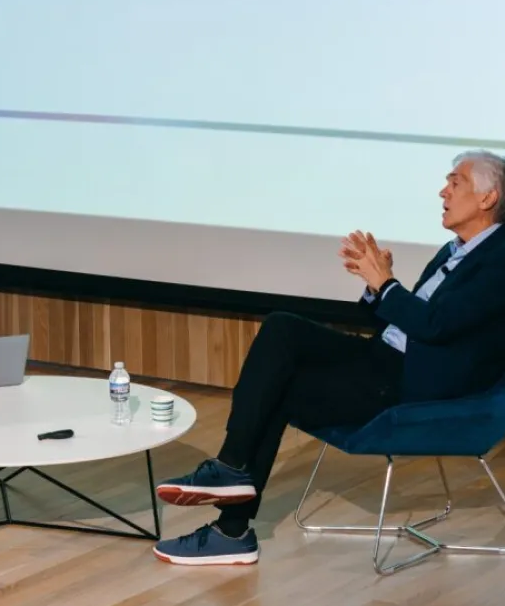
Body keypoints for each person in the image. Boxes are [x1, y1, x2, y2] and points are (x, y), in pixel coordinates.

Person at [152, 150, 505, 565]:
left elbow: (436, 326)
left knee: (283, 387)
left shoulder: (498, 260)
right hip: (383, 356)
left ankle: (232, 527)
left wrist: (388, 284)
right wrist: (378, 291)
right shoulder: (453, 251)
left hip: (412, 382)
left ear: (487, 198)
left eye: (455, 182)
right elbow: (408, 322)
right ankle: (229, 475)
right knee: (283, 326)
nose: (443, 191)